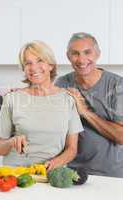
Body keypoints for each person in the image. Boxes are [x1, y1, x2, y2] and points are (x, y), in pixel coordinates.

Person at [0, 41, 83, 171]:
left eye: (40, 60)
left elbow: (72, 148)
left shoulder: (68, 99)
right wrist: (11, 142)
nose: (34, 68)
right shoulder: (12, 98)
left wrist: (56, 162)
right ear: (23, 68)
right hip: (16, 176)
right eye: (28, 63)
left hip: (52, 175)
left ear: (50, 65)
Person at [55, 32, 123, 177]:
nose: (81, 59)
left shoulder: (117, 85)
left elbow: (121, 136)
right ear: (68, 56)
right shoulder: (62, 83)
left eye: (87, 52)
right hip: (72, 172)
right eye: (75, 53)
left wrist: (84, 111)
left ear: (98, 54)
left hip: (111, 175)